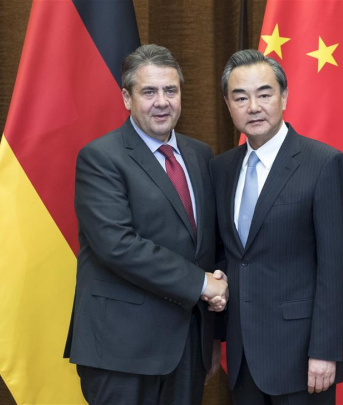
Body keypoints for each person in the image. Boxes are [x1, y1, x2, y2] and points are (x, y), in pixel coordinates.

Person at [64, 44, 227, 405]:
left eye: (171, 90)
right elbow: (117, 244)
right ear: (127, 97)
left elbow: (206, 244)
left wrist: (213, 331)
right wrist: (203, 284)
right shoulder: (100, 158)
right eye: (149, 91)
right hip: (121, 351)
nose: (162, 101)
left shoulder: (200, 154)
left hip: (187, 348)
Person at [209, 49, 343, 404]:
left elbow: (337, 268)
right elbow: (224, 257)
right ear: (228, 106)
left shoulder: (324, 164)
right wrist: (214, 338)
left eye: (264, 94)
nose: (254, 106)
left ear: (285, 97)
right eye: (240, 97)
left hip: (302, 356)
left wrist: (326, 350)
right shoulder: (220, 169)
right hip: (243, 357)